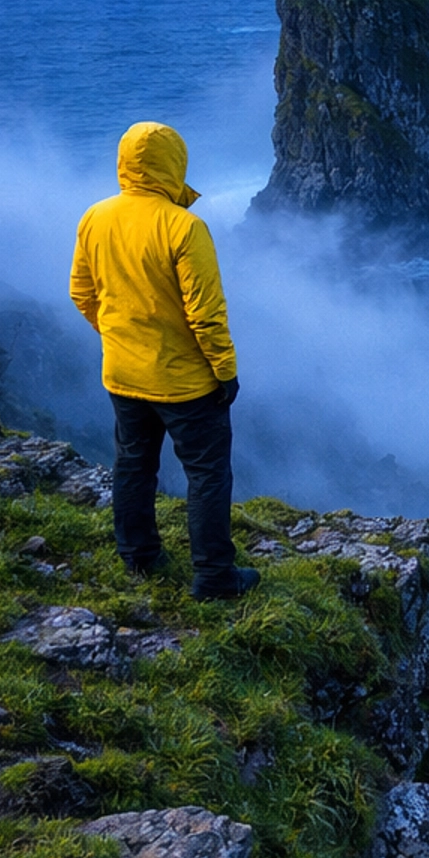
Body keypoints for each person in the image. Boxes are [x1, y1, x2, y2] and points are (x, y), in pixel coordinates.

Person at [70, 121, 259, 601]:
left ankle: (138, 558)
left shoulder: (95, 217)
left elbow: (82, 293)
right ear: (174, 163)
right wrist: (225, 371)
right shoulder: (184, 226)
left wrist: (120, 337)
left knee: (133, 466)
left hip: (123, 374)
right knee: (208, 474)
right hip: (185, 382)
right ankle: (214, 577)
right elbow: (206, 315)